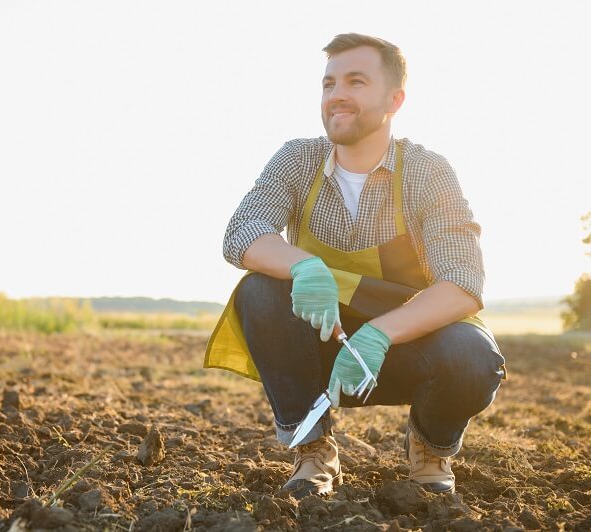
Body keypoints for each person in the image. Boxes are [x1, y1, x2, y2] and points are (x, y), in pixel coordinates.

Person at [205, 33, 507, 499]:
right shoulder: (296, 160)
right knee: (258, 292)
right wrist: (304, 266)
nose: (336, 95)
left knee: (473, 357)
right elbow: (242, 230)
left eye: (356, 81)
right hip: (322, 349)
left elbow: (464, 283)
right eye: (328, 84)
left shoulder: (428, 172)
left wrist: (381, 333)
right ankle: (313, 448)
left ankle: (429, 447)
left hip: (407, 349)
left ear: (395, 99)